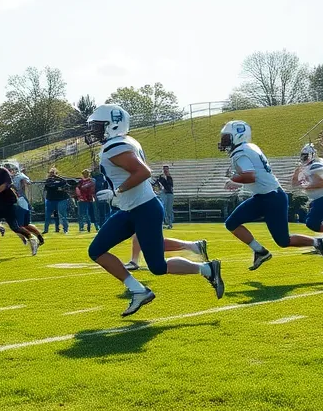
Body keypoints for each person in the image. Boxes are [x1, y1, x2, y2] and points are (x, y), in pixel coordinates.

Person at [85, 105, 223, 316]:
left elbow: (143, 172)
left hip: (144, 209)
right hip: (131, 209)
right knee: (96, 250)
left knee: (157, 266)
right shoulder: (124, 142)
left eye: (97, 126)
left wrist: (117, 192)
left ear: (111, 125)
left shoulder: (115, 146)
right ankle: (138, 290)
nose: (93, 131)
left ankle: (207, 269)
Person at [220, 120, 323, 271]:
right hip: (264, 196)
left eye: (227, 138)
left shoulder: (240, 153)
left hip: (272, 198)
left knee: (283, 240)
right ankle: (260, 251)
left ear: (237, 136)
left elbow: (250, 176)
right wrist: (237, 178)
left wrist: (233, 181)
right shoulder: (249, 147)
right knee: (231, 223)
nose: (224, 142)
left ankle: (318, 243)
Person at [0, 154, 40, 257]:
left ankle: (31, 238)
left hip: (7, 203)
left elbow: (4, 186)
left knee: (15, 227)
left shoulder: (3, 172)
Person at [294, 144, 323, 235]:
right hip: (315, 199)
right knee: (312, 223)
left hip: (321, 198)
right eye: (303, 155)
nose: (303, 158)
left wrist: (306, 186)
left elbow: (322, 183)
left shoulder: (316, 165)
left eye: (305, 155)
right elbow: (294, 184)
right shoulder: (306, 167)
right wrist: (297, 171)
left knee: (312, 223)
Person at [43, 167, 71, 234]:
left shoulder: (61, 180)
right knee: (48, 216)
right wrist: (58, 185)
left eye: (53, 173)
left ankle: (65, 230)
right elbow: (51, 185)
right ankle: (46, 230)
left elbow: (64, 183)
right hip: (50, 200)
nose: (52, 175)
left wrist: (58, 180)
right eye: (51, 173)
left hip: (61, 199)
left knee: (62, 215)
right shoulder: (48, 180)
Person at [157, 164, 175, 229]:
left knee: (169, 209)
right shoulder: (161, 177)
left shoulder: (169, 177)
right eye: (164, 169)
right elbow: (158, 184)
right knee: (163, 207)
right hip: (163, 193)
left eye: (166, 169)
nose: (165, 170)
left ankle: (170, 223)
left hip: (169, 193)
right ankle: (162, 223)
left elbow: (170, 186)